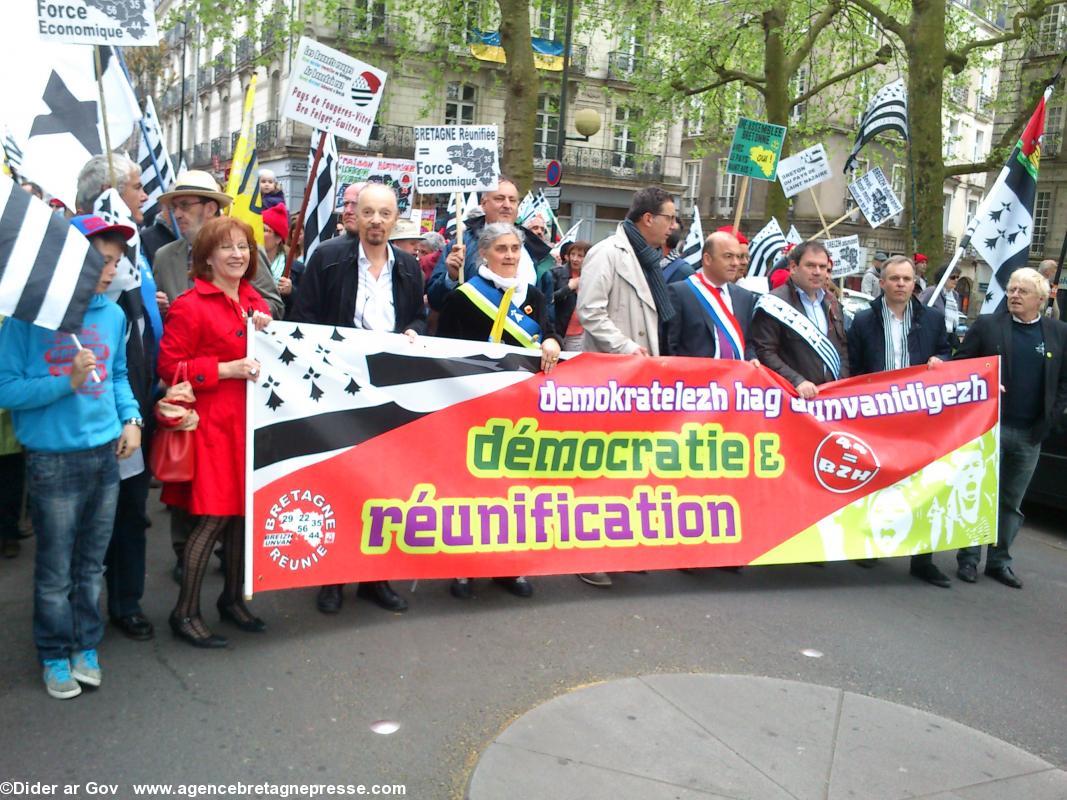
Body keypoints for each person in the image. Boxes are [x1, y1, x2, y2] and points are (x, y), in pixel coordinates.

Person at [0, 214, 141, 698]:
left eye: (115, 261)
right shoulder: (25, 321)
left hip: (104, 456)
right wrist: (68, 382)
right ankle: (54, 654)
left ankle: (85, 645)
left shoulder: (112, 314)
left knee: (91, 565)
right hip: (51, 460)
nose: (110, 271)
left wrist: (132, 420)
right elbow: (6, 389)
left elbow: (119, 375)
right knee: (56, 569)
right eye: (102, 261)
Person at [291, 183, 426, 616]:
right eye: (368, 212)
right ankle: (331, 577)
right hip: (338, 387)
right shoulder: (329, 258)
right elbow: (304, 317)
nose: (375, 222)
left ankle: (374, 578)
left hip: (388, 388)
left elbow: (419, 316)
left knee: (383, 484)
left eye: (384, 214)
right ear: (355, 215)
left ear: (395, 218)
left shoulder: (408, 266)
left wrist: (416, 333)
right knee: (338, 482)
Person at [158, 216, 271, 647]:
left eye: (243, 246)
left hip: (250, 425)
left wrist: (265, 326)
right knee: (213, 518)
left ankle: (231, 600)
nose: (238, 254)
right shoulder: (190, 304)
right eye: (227, 247)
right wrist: (224, 369)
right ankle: (184, 611)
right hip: (212, 428)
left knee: (243, 516)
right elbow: (169, 369)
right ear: (207, 257)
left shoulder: (252, 301)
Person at [437, 222, 561, 600]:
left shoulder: (535, 297)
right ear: (484, 254)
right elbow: (445, 353)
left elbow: (549, 330)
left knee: (513, 490)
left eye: (514, 249)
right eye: (501, 249)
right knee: (470, 489)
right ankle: (462, 567)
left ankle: (509, 566)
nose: (509, 256)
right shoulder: (463, 297)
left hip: (519, 409)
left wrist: (553, 340)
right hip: (472, 405)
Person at [574, 186, 678, 586]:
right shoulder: (608, 253)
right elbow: (590, 312)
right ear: (647, 219)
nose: (673, 225)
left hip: (640, 377)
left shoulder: (649, 259)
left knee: (629, 469)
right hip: (613, 375)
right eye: (669, 217)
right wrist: (626, 347)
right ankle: (587, 555)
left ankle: (618, 549)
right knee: (602, 468)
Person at [75, 153, 158, 642]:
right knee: (81, 527)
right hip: (80, 425)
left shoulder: (136, 250)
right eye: (134, 186)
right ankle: (73, 615)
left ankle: (126, 602)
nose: (143, 195)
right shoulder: (74, 264)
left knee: (130, 511)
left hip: (132, 409)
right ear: (108, 195)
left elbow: (134, 340)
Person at [953, 267, 1067, 589]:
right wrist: (982, 384)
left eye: (1023, 291)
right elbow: (961, 365)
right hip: (990, 428)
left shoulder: (1059, 333)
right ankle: (969, 559)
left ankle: (999, 561)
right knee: (979, 495)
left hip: (1031, 434)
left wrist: (1052, 417)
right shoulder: (989, 326)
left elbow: (1063, 383)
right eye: (1012, 289)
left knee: (1011, 502)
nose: (1014, 295)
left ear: (1041, 299)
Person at [847, 256, 953, 586]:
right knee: (876, 482)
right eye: (894, 279)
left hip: (920, 418)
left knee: (925, 485)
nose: (901, 284)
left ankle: (922, 559)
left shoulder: (932, 319)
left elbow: (950, 352)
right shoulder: (863, 321)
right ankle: (870, 544)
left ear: (915, 283)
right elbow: (852, 368)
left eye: (907, 279)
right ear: (882, 283)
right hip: (876, 416)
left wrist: (942, 360)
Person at [153, 170, 284, 320]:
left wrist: (247, 315)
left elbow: (274, 305)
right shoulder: (164, 257)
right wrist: (157, 307)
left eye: (184, 205)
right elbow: (157, 320)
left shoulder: (244, 251)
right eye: (174, 207)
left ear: (210, 209)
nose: (177, 214)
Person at [428, 179, 555, 322]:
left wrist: (550, 338)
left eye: (512, 200)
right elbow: (435, 301)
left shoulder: (535, 249)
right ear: (483, 204)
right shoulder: (460, 244)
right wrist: (450, 278)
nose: (507, 205)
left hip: (521, 340)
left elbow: (546, 312)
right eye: (499, 199)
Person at [750, 240, 850, 400]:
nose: (817, 272)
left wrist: (841, 380)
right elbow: (765, 352)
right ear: (793, 268)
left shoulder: (833, 303)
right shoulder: (773, 303)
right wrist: (797, 381)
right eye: (810, 266)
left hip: (830, 397)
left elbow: (842, 348)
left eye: (822, 267)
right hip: (790, 397)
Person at [665, 230, 758, 360]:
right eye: (728, 256)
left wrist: (752, 359)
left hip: (736, 377)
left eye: (738, 256)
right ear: (707, 259)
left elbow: (747, 343)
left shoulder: (745, 297)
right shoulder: (680, 293)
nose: (736, 263)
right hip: (696, 377)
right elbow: (669, 346)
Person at [262, 202, 303, 316]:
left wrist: (292, 292)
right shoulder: (247, 265)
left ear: (278, 238)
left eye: (264, 230)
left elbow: (306, 306)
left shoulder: (296, 269)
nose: (258, 233)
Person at [553, 240, 591, 351]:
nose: (575, 259)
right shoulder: (555, 273)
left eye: (580, 256)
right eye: (572, 254)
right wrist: (568, 288)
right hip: (557, 333)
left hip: (579, 334)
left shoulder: (593, 277)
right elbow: (547, 300)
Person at [919, 265, 962, 348]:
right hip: (930, 336)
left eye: (958, 277)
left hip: (947, 338)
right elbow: (918, 309)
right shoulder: (932, 291)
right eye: (953, 277)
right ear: (943, 277)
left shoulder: (955, 295)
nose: (956, 280)